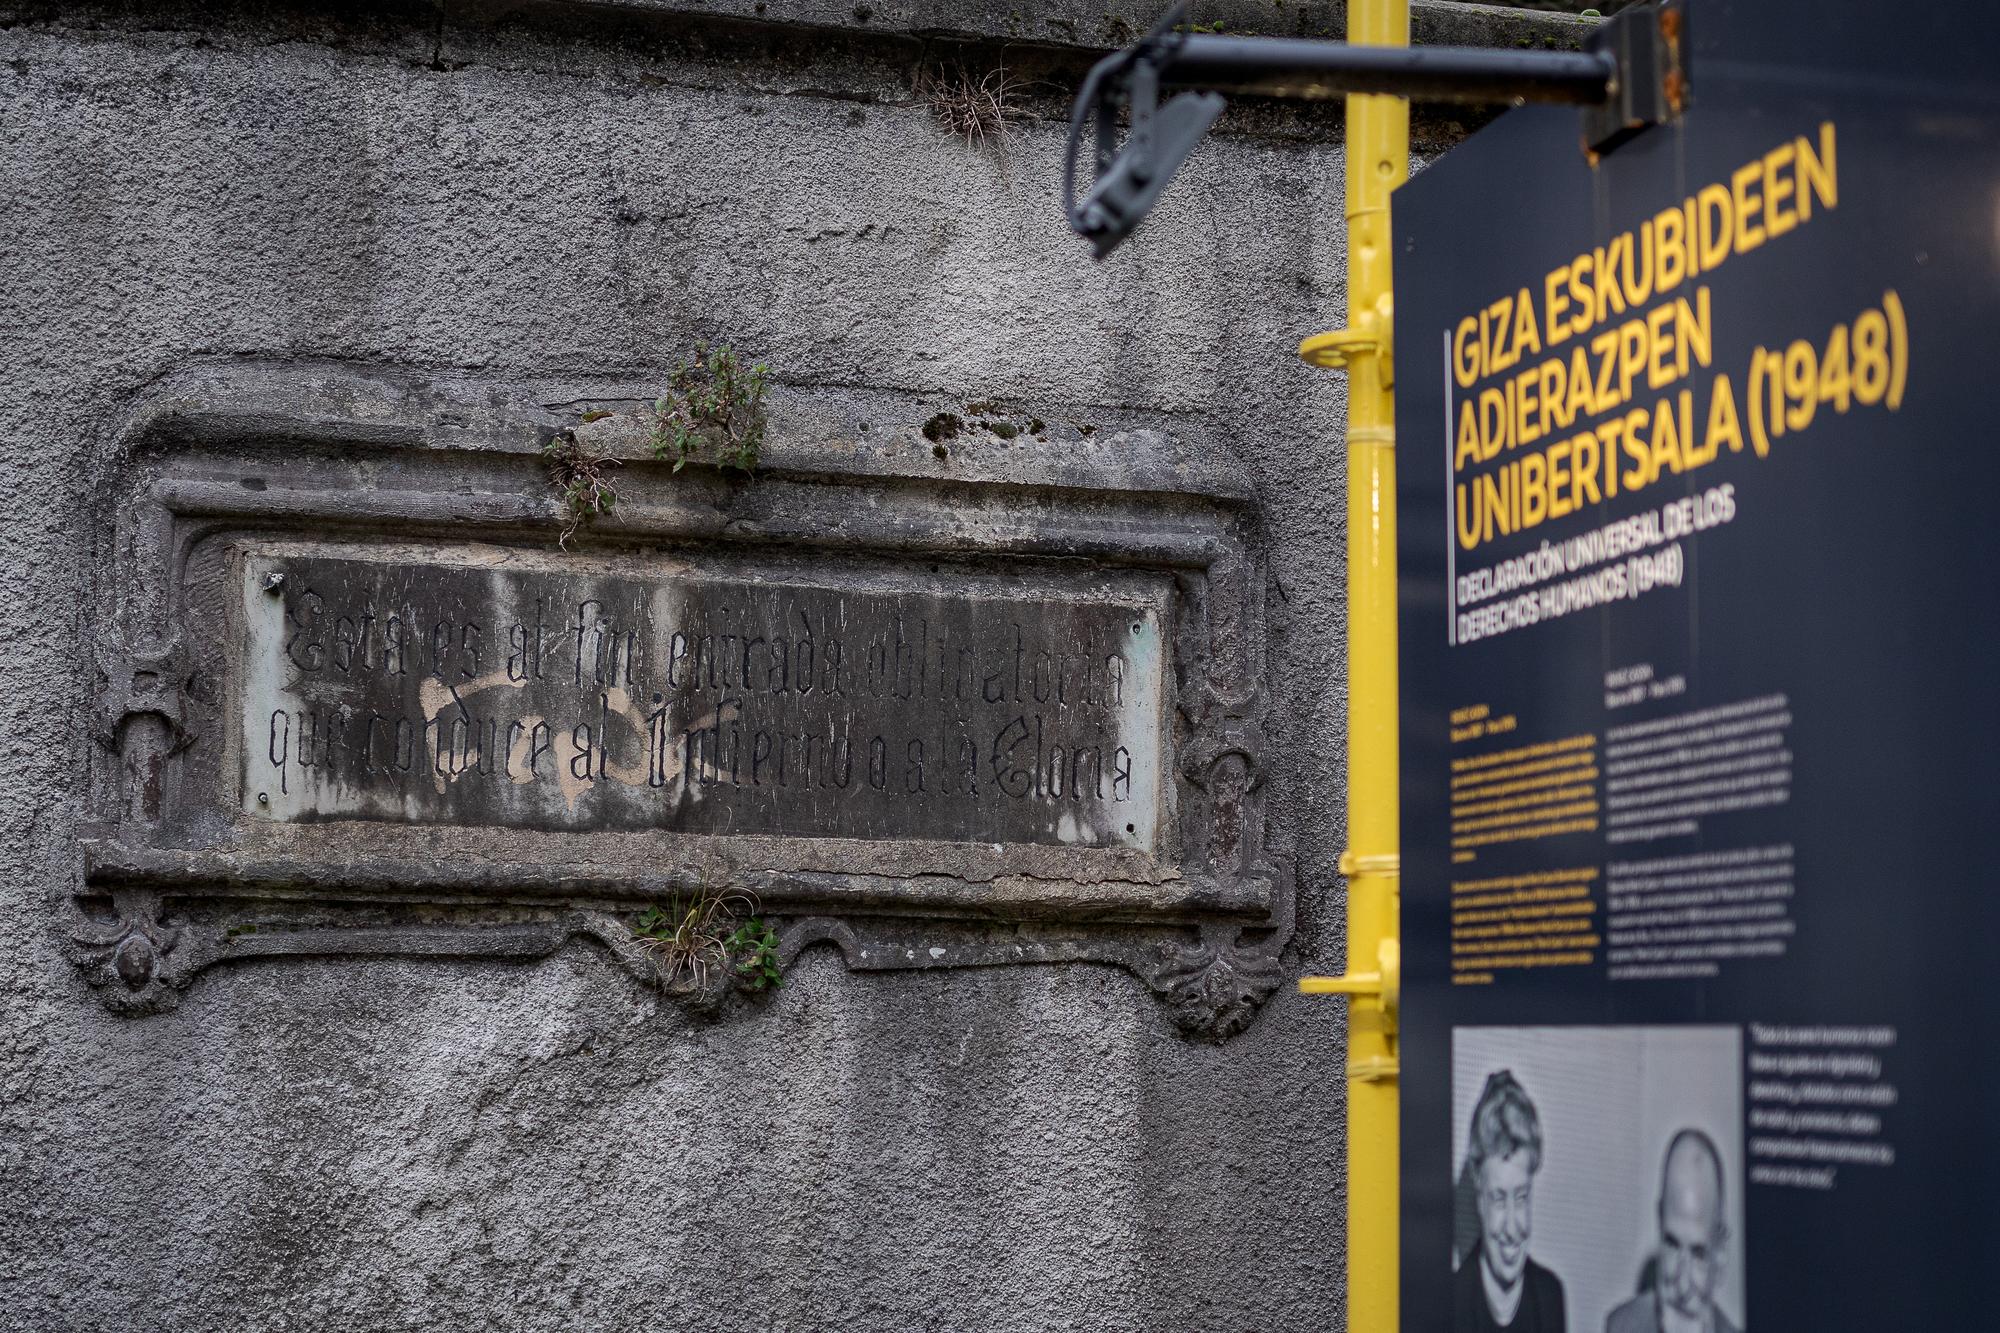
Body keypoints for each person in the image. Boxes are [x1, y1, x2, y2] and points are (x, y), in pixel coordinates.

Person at [1454, 1070, 1568, 1332]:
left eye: (1522, 1197)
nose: (1512, 1227)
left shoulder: (1550, 1296)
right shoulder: (1449, 1304)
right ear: (1479, 1199)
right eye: (1498, 1199)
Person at [1606, 1129, 1740, 1333]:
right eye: (1672, 1245)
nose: (1683, 1286)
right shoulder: (1620, 1326)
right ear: (1659, 1223)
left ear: (1720, 1254)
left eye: (1698, 1254)